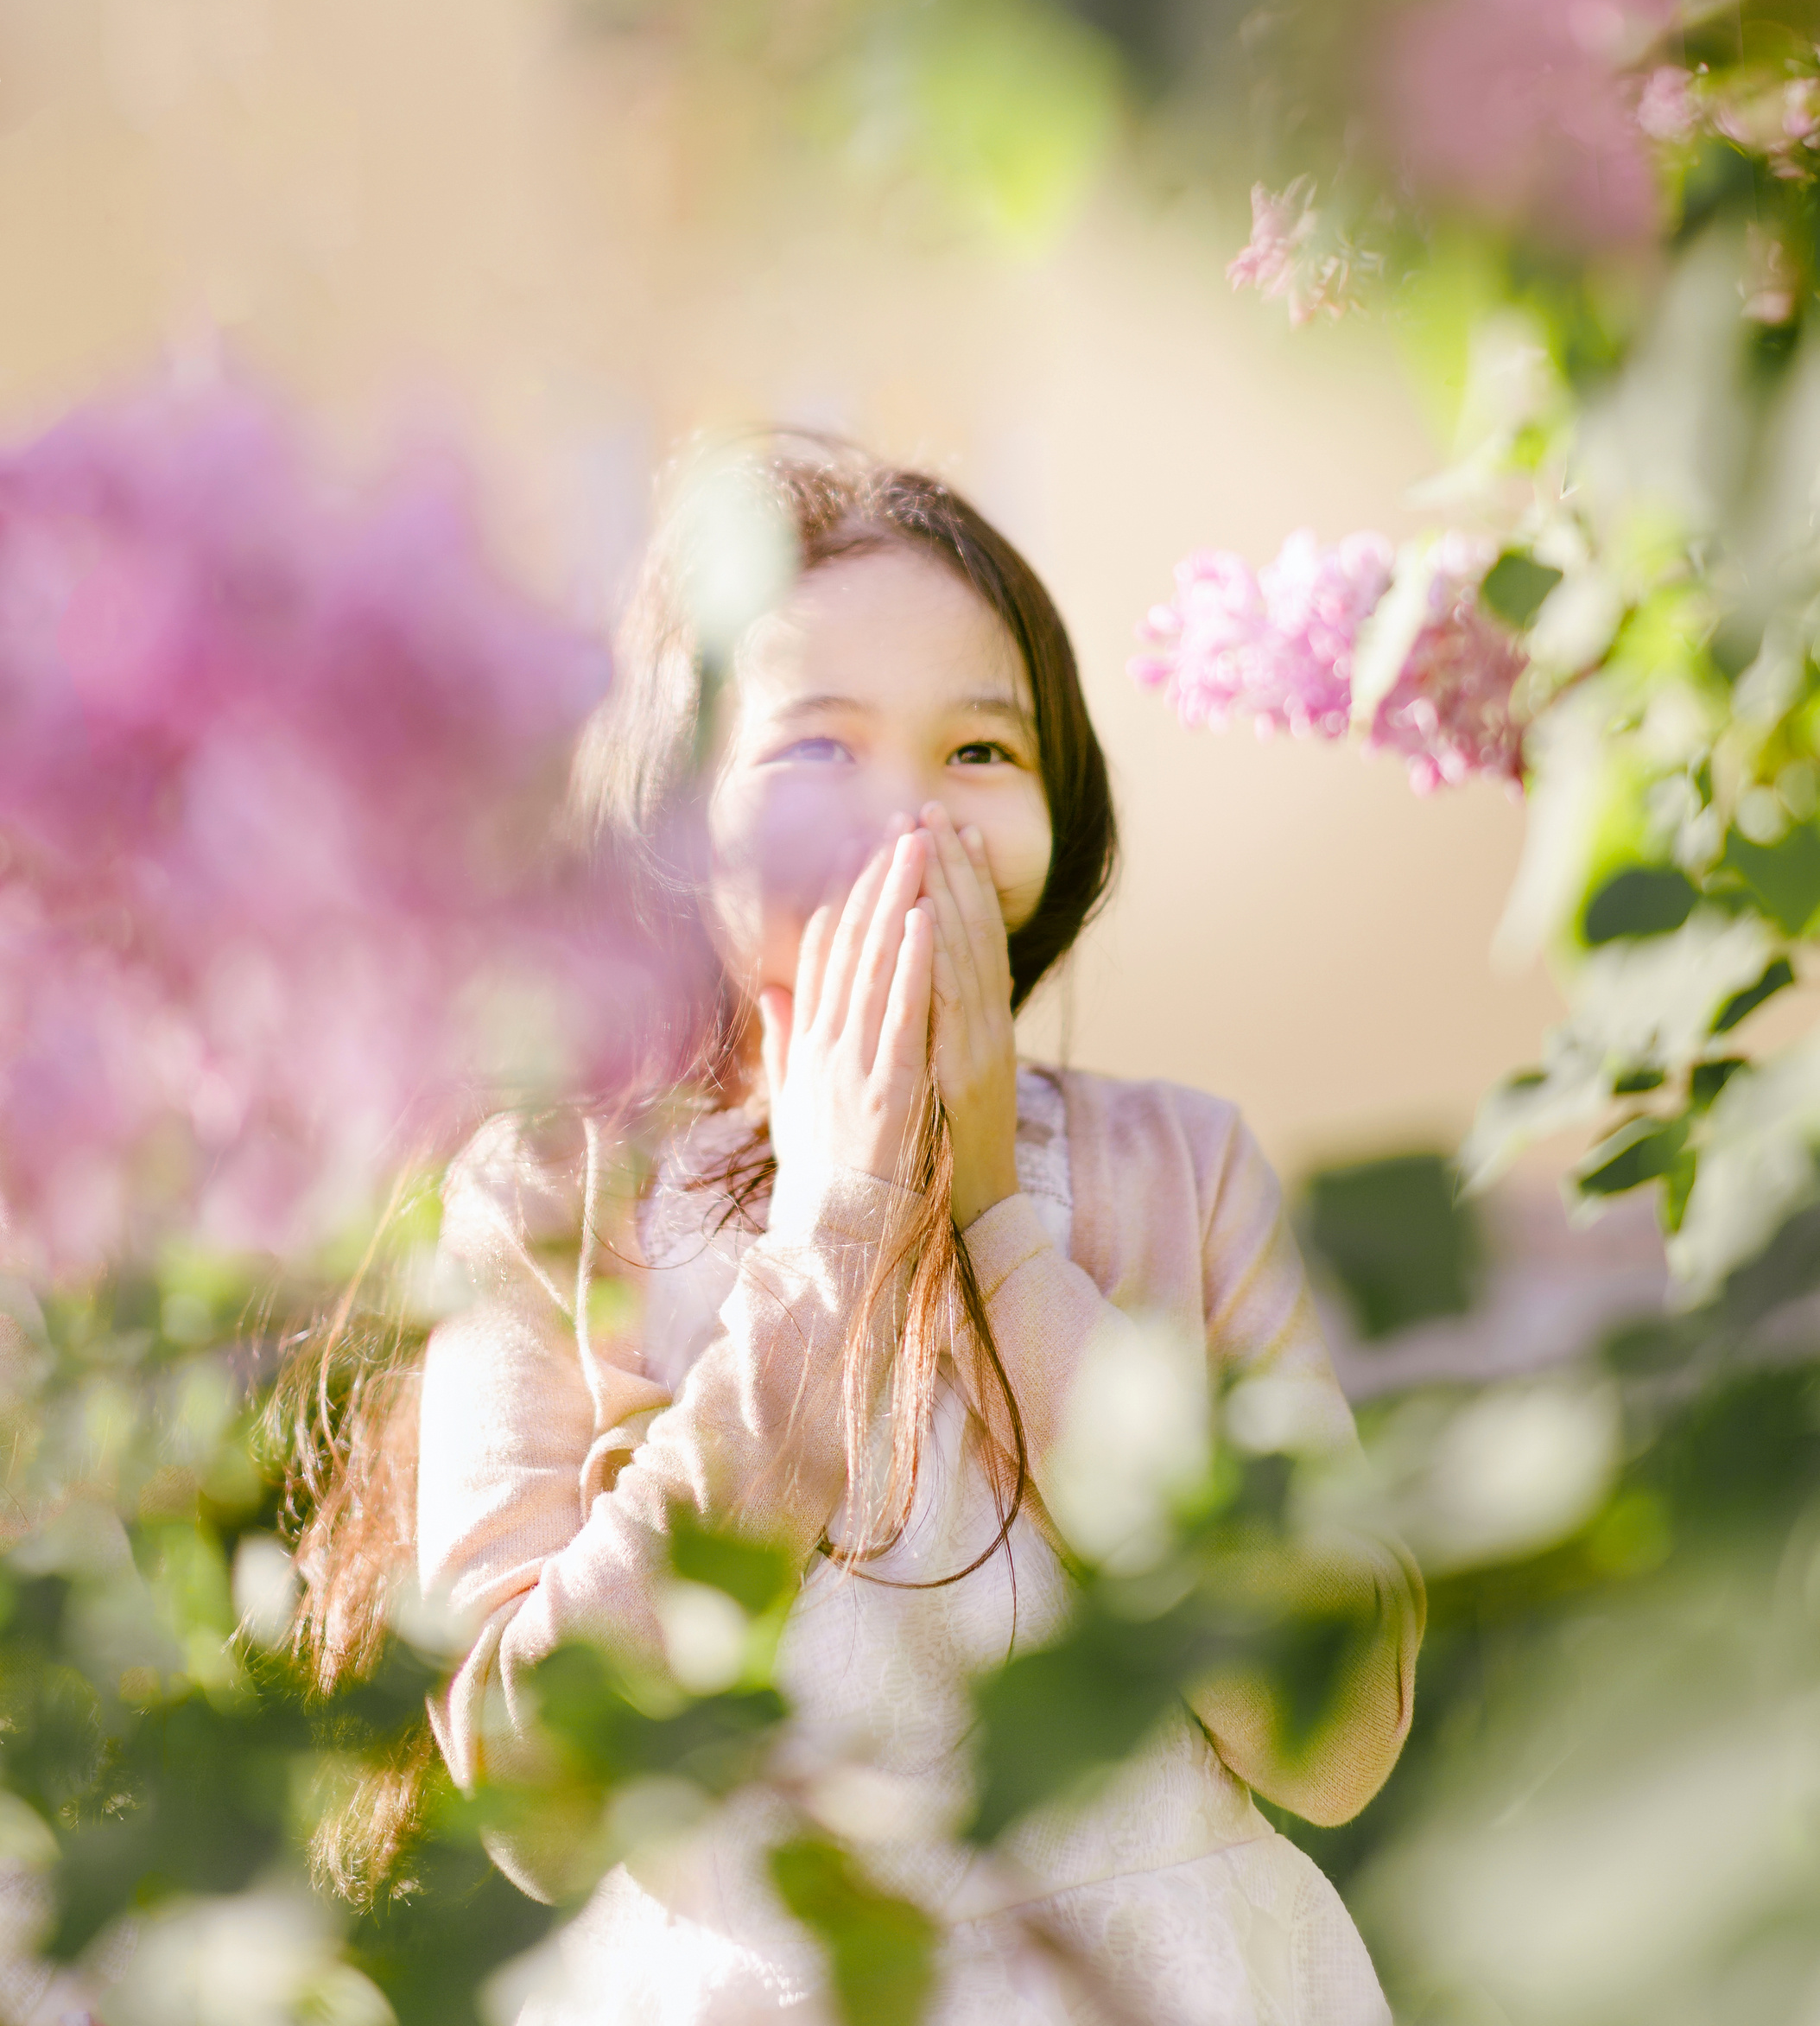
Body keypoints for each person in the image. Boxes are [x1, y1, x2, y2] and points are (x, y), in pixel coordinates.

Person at [384, 441, 1423, 2023]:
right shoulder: (555, 1198)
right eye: (816, 749)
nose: (907, 817)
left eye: (981, 752)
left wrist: (1000, 1221)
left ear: (1060, 810)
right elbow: (533, 1790)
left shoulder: (1181, 1167)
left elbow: (1335, 1736)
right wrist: (840, 1235)